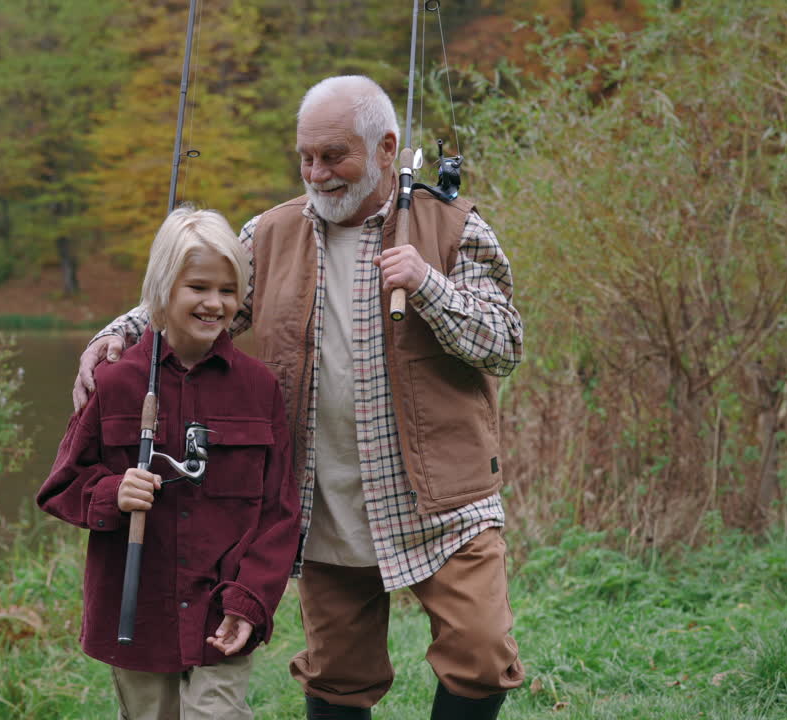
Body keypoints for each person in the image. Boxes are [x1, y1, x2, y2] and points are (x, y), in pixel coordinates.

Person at [74, 75, 526, 719]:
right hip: (326, 499)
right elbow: (197, 302)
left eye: (334, 156)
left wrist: (427, 283)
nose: (317, 173)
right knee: (339, 675)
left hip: (442, 499)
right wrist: (115, 337)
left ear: (385, 148)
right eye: (306, 157)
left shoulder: (457, 229)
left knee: (480, 652)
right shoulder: (271, 233)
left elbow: (506, 345)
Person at [38, 207, 300, 720]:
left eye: (228, 290)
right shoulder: (114, 383)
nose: (214, 303)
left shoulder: (259, 388)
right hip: (136, 617)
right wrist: (111, 493)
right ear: (161, 290)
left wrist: (249, 601)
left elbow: (280, 513)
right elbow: (61, 486)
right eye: (197, 287)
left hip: (222, 614)